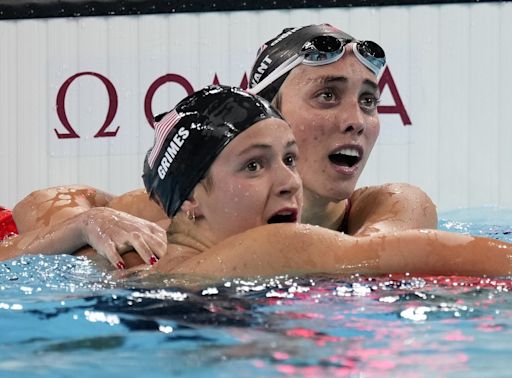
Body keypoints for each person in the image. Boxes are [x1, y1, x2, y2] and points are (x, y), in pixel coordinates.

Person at [10, 24, 436, 265]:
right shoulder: (184, 209)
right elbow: (41, 204)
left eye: (368, 101)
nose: (355, 121)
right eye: (327, 95)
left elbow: (372, 260)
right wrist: (91, 222)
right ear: (266, 111)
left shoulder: (391, 206)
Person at [2, 86, 511, 279]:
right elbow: (437, 256)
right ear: (190, 201)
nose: (291, 182)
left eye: (289, 158)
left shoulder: (123, 259)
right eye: (253, 165)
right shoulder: (271, 248)